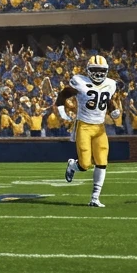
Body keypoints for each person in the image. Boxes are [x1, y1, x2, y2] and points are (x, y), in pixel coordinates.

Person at [56, 54, 121, 208]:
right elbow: (64, 94)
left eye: (101, 70)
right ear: (88, 70)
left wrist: (112, 110)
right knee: (85, 165)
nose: (98, 73)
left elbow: (106, 99)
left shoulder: (110, 84)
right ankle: (72, 165)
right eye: (95, 70)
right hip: (84, 126)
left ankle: (95, 198)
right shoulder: (80, 82)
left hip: (100, 128)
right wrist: (62, 111)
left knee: (102, 161)